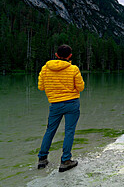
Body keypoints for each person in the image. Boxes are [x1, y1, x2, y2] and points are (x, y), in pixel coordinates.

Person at [37, 44, 85, 172]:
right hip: (72, 104)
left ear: (57, 55)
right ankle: (65, 161)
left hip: (55, 104)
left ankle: (42, 159)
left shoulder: (45, 68)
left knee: (50, 130)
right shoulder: (73, 69)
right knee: (69, 131)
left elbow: (41, 87)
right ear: (70, 56)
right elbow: (80, 87)